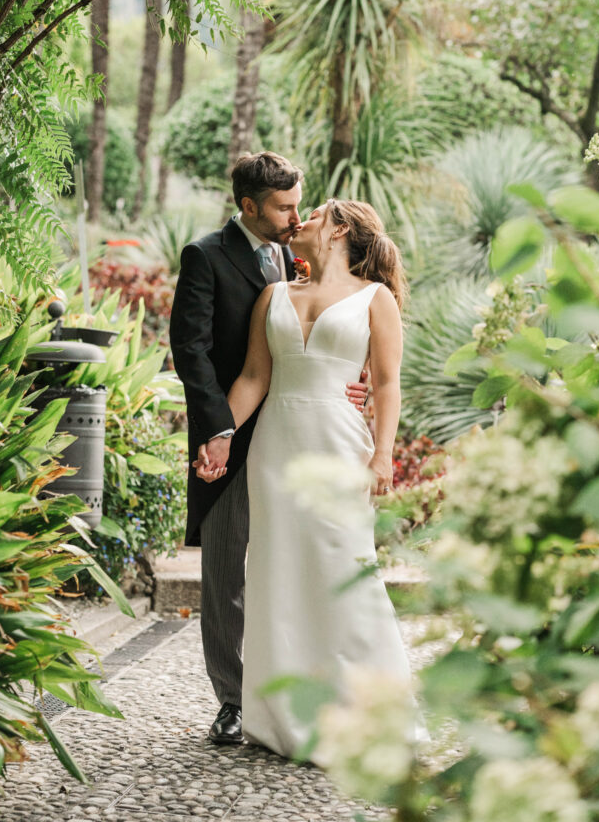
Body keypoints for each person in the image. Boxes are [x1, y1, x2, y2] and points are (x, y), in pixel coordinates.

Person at [196, 198, 415, 760]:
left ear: (339, 228)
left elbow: (387, 384)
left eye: (311, 213)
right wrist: (220, 434)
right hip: (276, 445)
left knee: (346, 567)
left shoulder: (376, 298)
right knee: (279, 571)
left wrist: (383, 454)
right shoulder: (273, 296)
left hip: (341, 443)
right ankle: (284, 717)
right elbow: (252, 377)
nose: (299, 221)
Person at [169, 153, 368, 747]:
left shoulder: (295, 257)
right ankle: (232, 702)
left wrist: (344, 382)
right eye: (283, 207)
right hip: (229, 437)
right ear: (249, 206)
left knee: (297, 566)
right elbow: (191, 351)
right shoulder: (205, 257)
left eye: (298, 203)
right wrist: (218, 430)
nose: (295, 215)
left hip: (296, 437)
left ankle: (304, 693)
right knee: (226, 572)